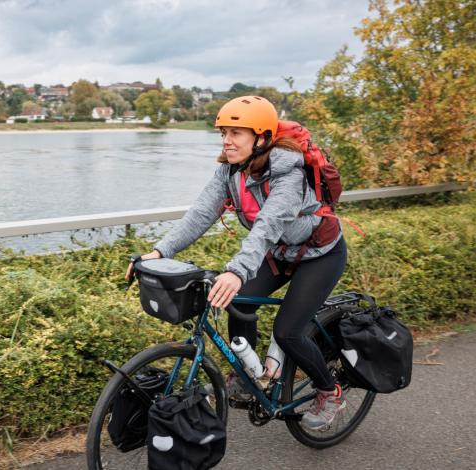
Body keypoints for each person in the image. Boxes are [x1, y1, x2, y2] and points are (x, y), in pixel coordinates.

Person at [125, 96, 347, 430]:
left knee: (288, 332)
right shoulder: (231, 171)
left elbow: (267, 227)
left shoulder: (290, 175)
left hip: (319, 255)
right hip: (279, 253)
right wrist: (159, 252)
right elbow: (201, 214)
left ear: (261, 138)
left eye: (236, 133)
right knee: (236, 301)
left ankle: (329, 391)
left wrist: (236, 271)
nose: (227, 140)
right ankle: (251, 376)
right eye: (223, 132)